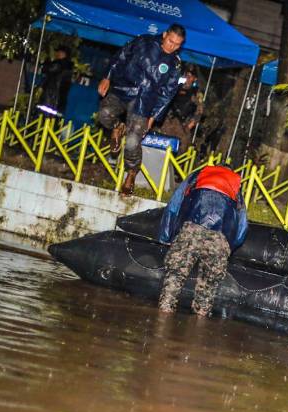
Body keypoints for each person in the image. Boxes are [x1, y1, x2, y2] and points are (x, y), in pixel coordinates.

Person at [97, 24, 184, 195]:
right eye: (170, 41)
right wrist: (107, 77)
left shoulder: (175, 65)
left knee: (132, 141)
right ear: (164, 35)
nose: (171, 46)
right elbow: (120, 57)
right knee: (104, 114)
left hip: (144, 103)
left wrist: (153, 117)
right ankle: (117, 127)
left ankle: (130, 174)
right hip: (122, 90)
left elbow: (167, 94)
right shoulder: (143, 41)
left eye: (177, 44)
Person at [157, 164, 248, 317]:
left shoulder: (198, 175)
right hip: (220, 237)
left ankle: (163, 316)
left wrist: (166, 235)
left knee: (175, 275)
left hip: (192, 228)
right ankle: (200, 320)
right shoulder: (235, 185)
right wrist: (230, 246)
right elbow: (242, 224)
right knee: (208, 287)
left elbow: (174, 205)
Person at [157, 63, 203, 153]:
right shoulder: (175, 88)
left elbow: (199, 110)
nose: (188, 78)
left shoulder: (196, 93)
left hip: (183, 127)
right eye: (186, 75)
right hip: (168, 123)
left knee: (178, 153)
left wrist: (190, 125)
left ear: (195, 78)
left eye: (190, 76)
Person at [39, 45, 73, 115]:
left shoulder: (60, 64)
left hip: (52, 97)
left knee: (45, 117)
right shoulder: (68, 66)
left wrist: (47, 61)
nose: (56, 54)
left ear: (63, 53)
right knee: (54, 118)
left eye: (58, 52)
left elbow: (47, 69)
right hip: (59, 99)